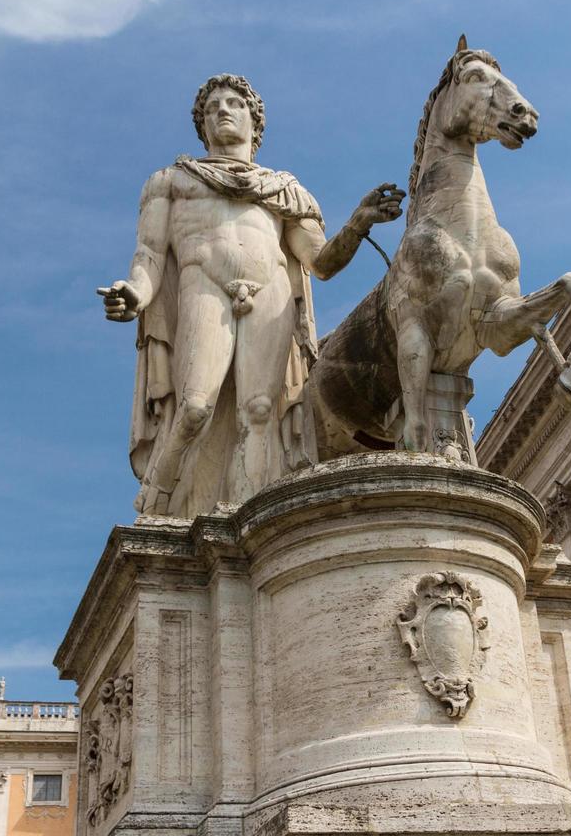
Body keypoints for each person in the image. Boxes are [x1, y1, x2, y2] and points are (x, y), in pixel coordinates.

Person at [98, 74, 403, 516]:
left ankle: (245, 522)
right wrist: (136, 293)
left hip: (271, 292)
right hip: (202, 284)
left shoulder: (283, 190)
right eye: (212, 107)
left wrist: (357, 224)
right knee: (196, 406)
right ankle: (159, 500)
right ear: (203, 126)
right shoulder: (172, 181)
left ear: (254, 122)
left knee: (260, 410)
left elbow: (321, 262)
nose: (222, 110)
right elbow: (148, 254)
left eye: (234, 104)